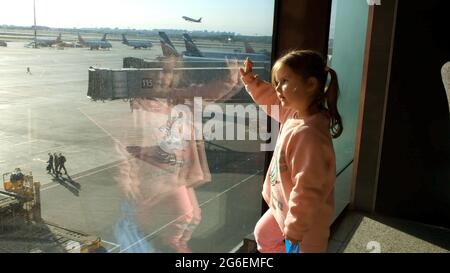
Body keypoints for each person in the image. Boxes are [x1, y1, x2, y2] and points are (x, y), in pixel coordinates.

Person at [240, 50, 343, 253]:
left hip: (306, 224)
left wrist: (295, 229)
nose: (277, 88)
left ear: (311, 84)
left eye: (284, 81)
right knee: (263, 235)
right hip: (285, 208)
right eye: (276, 82)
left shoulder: (309, 135)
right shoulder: (295, 114)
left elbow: (308, 190)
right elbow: (272, 100)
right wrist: (251, 82)